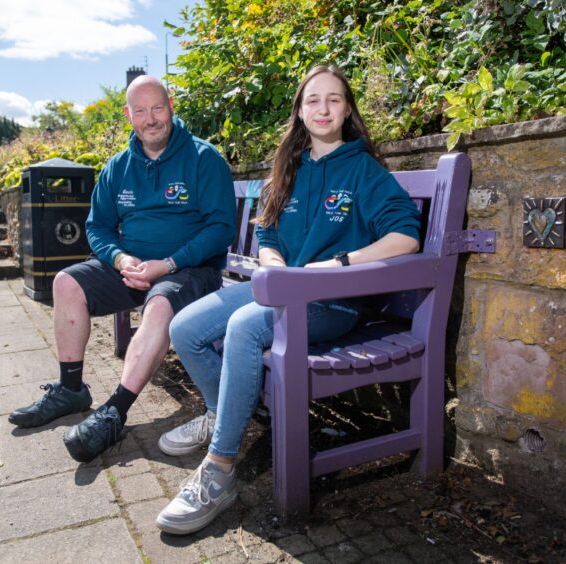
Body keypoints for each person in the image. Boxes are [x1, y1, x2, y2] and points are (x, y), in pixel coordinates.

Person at [155, 65, 422, 535]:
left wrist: (339, 264)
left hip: (330, 303)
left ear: (347, 110)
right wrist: (274, 261)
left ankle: (219, 468)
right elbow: (269, 233)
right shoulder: (291, 166)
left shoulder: (363, 170)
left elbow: (405, 237)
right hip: (278, 289)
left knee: (242, 328)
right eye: (313, 100)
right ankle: (226, 414)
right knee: (184, 328)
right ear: (299, 110)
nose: (323, 109)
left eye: (334, 100)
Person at [8, 75, 237, 464]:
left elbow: (221, 229)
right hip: (131, 269)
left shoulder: (204, 159)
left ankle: (115, 410)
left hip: (189, 271)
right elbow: (97, 226)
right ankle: (70, 389)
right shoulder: (118, 167)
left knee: (160, 305)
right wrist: (119, 259)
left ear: (172, 107)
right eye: (141, 111)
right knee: (65, 283)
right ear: (129, 115)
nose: (151, 119)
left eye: (158, 108)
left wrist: (167, 264)